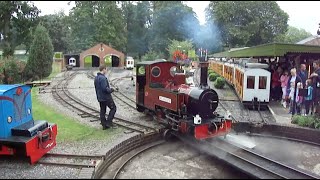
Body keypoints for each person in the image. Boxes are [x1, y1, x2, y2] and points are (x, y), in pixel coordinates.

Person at [94, 64, 117, 129]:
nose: (106, 71)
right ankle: (108, 123)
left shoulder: (96, 78)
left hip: (100, 97)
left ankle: (104, 125)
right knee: (113, 108)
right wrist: (112, 89)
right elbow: (105, 89)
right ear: (104, 69)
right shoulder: (103, 78)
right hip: (106, 98)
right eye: (106, 69)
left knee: (102, 111)